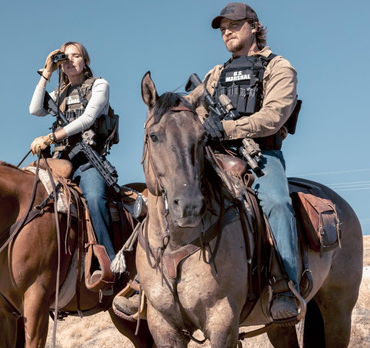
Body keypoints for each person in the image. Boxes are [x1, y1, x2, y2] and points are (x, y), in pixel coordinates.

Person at [117, 3, 303, 325]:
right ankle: (143, 280)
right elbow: (194, 115)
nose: (227, 31)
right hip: (214, 153)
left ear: (254, 27)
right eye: (222, 28)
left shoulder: (279, 67)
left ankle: (285, 283)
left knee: (276, 201)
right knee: (168, 189)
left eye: (235, 24)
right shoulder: (214, 75)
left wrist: (229, 128)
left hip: (260, 155)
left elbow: (274, 116)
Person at [29, 41, 118, 269]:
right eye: (64, 58)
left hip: (88, 162)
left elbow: (87, 119)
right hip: (60, 162)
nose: (70, 61)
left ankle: (110, 263)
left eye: (75, 56)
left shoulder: (99, 85)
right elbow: (34, 109)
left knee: (96, 200)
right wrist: (46, 73)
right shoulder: (58, 93)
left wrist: (50, 138)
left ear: (85, 61)